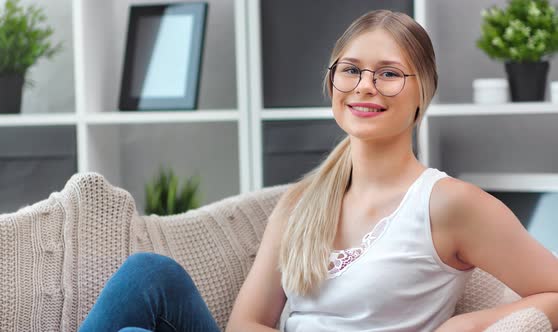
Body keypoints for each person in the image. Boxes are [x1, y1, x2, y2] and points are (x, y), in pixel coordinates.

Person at [79, 9, 558, 332]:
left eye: (389, 74)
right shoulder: (301, 204)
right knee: (148, 275)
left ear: (422, 93)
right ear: (332, 85)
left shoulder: (449, 204)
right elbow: (248, 324)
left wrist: (468, 324)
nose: (365, 87)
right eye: (350, 70)